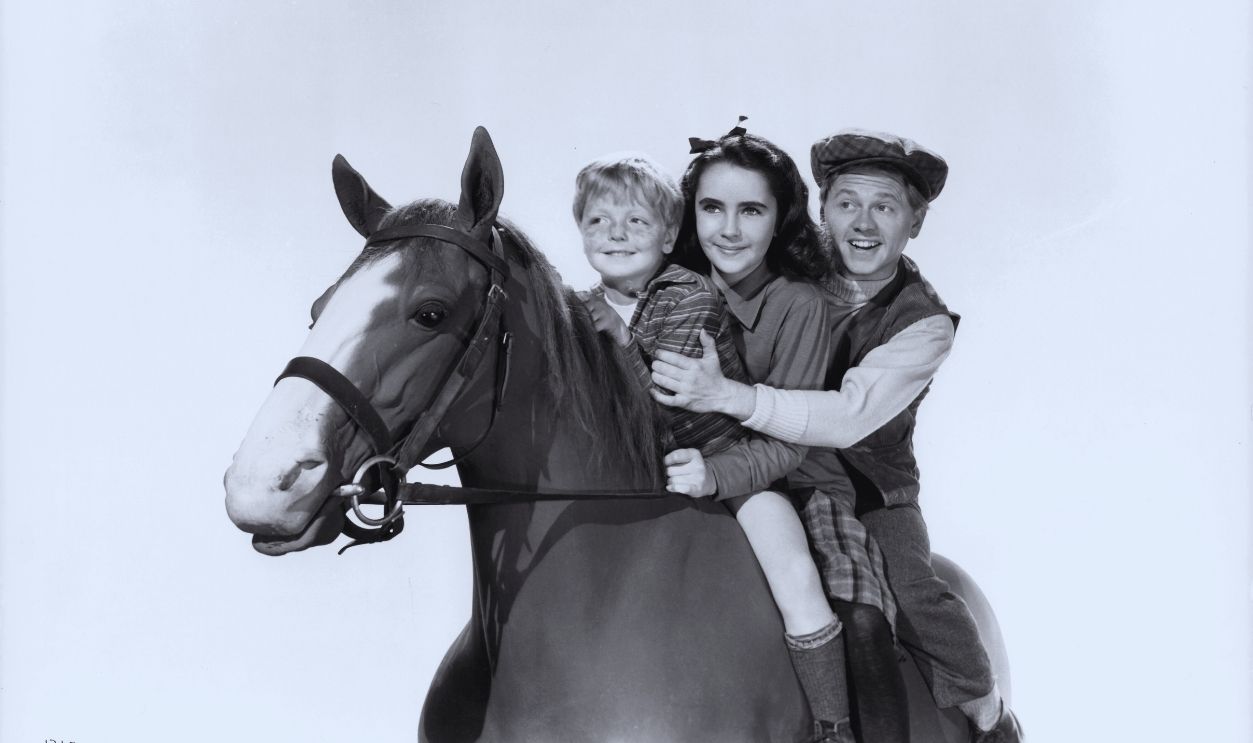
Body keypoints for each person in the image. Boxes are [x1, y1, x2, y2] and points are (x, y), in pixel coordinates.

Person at [649, 129, 1024, 743]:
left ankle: (988, 714)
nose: (863, 222)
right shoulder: (788, 265)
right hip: (751, 462)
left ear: (916, 222)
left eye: (886, 207)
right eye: (847, 202)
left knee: (909, 591)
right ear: (821, 210)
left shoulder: (923, 324)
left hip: (863, 485)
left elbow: (848, 415)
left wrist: (726, 397)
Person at [618, 130, 898, 743]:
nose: (729, 229)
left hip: (792, 481)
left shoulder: (796, 304)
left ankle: (837, 729)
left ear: (780, 221)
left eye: (752, 211)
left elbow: (791, 443)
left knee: (854, 609)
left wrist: (716, 474)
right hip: (678, 467)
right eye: (712, 208)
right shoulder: (667, 287)